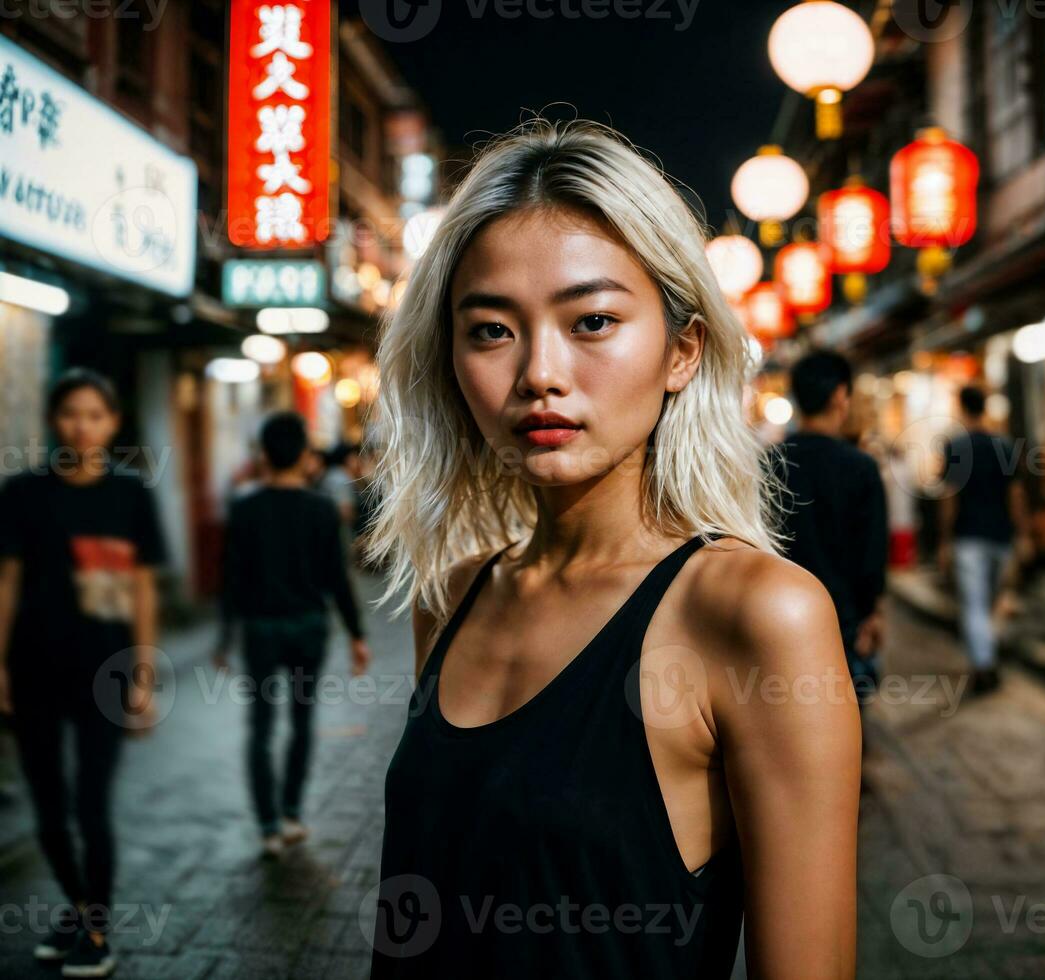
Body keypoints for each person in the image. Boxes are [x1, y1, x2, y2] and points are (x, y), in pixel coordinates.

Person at [364, 120, 860, 979]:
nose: (540, 374)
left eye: (592, 320)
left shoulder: (752, 614)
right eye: (490, 330)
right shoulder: (452, 596)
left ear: (682, 350)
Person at [0, 368, 168, 978]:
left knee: (92, 804)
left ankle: (94, 928)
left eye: (95, 415)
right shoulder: (22, 493)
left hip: (105, 672)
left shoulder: (131, 494)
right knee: (48, 806)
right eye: (71, 413)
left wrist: (144, 673)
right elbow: (7, 583)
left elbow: (142, 588)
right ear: (53, 420)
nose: (82, 426)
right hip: (34, 667)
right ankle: (77, 909)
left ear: (113, 423)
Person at [214, 412, 371, 858]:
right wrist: (358, 634)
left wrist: (225, 639)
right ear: (305, 456)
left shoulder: (244, 510)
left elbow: (232, 580)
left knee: (261, 727)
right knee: (302, 722)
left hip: (260, 632)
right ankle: (292, 814)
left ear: (262, 456)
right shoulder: (322, 510)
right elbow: (337, 580)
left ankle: (266, 827)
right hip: (308, 629)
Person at [775, 351, 888, 707]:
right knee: (846, 717)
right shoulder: (861, 467)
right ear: (841, 396)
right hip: (844, 618)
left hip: (778, 617)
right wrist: (872, 612)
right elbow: (872, 550)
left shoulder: (767, 463)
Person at [938, 385, 1028, 692]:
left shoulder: (956, 446)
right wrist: (1021, 534)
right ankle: (986, 659)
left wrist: (944, 540)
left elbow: (949, 497)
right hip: (1001, 536)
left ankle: (984, 664)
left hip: (968, 538)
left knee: (975, 605)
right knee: (990, 603)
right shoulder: (1004, 445)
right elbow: (1016, 494)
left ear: (962, 408)